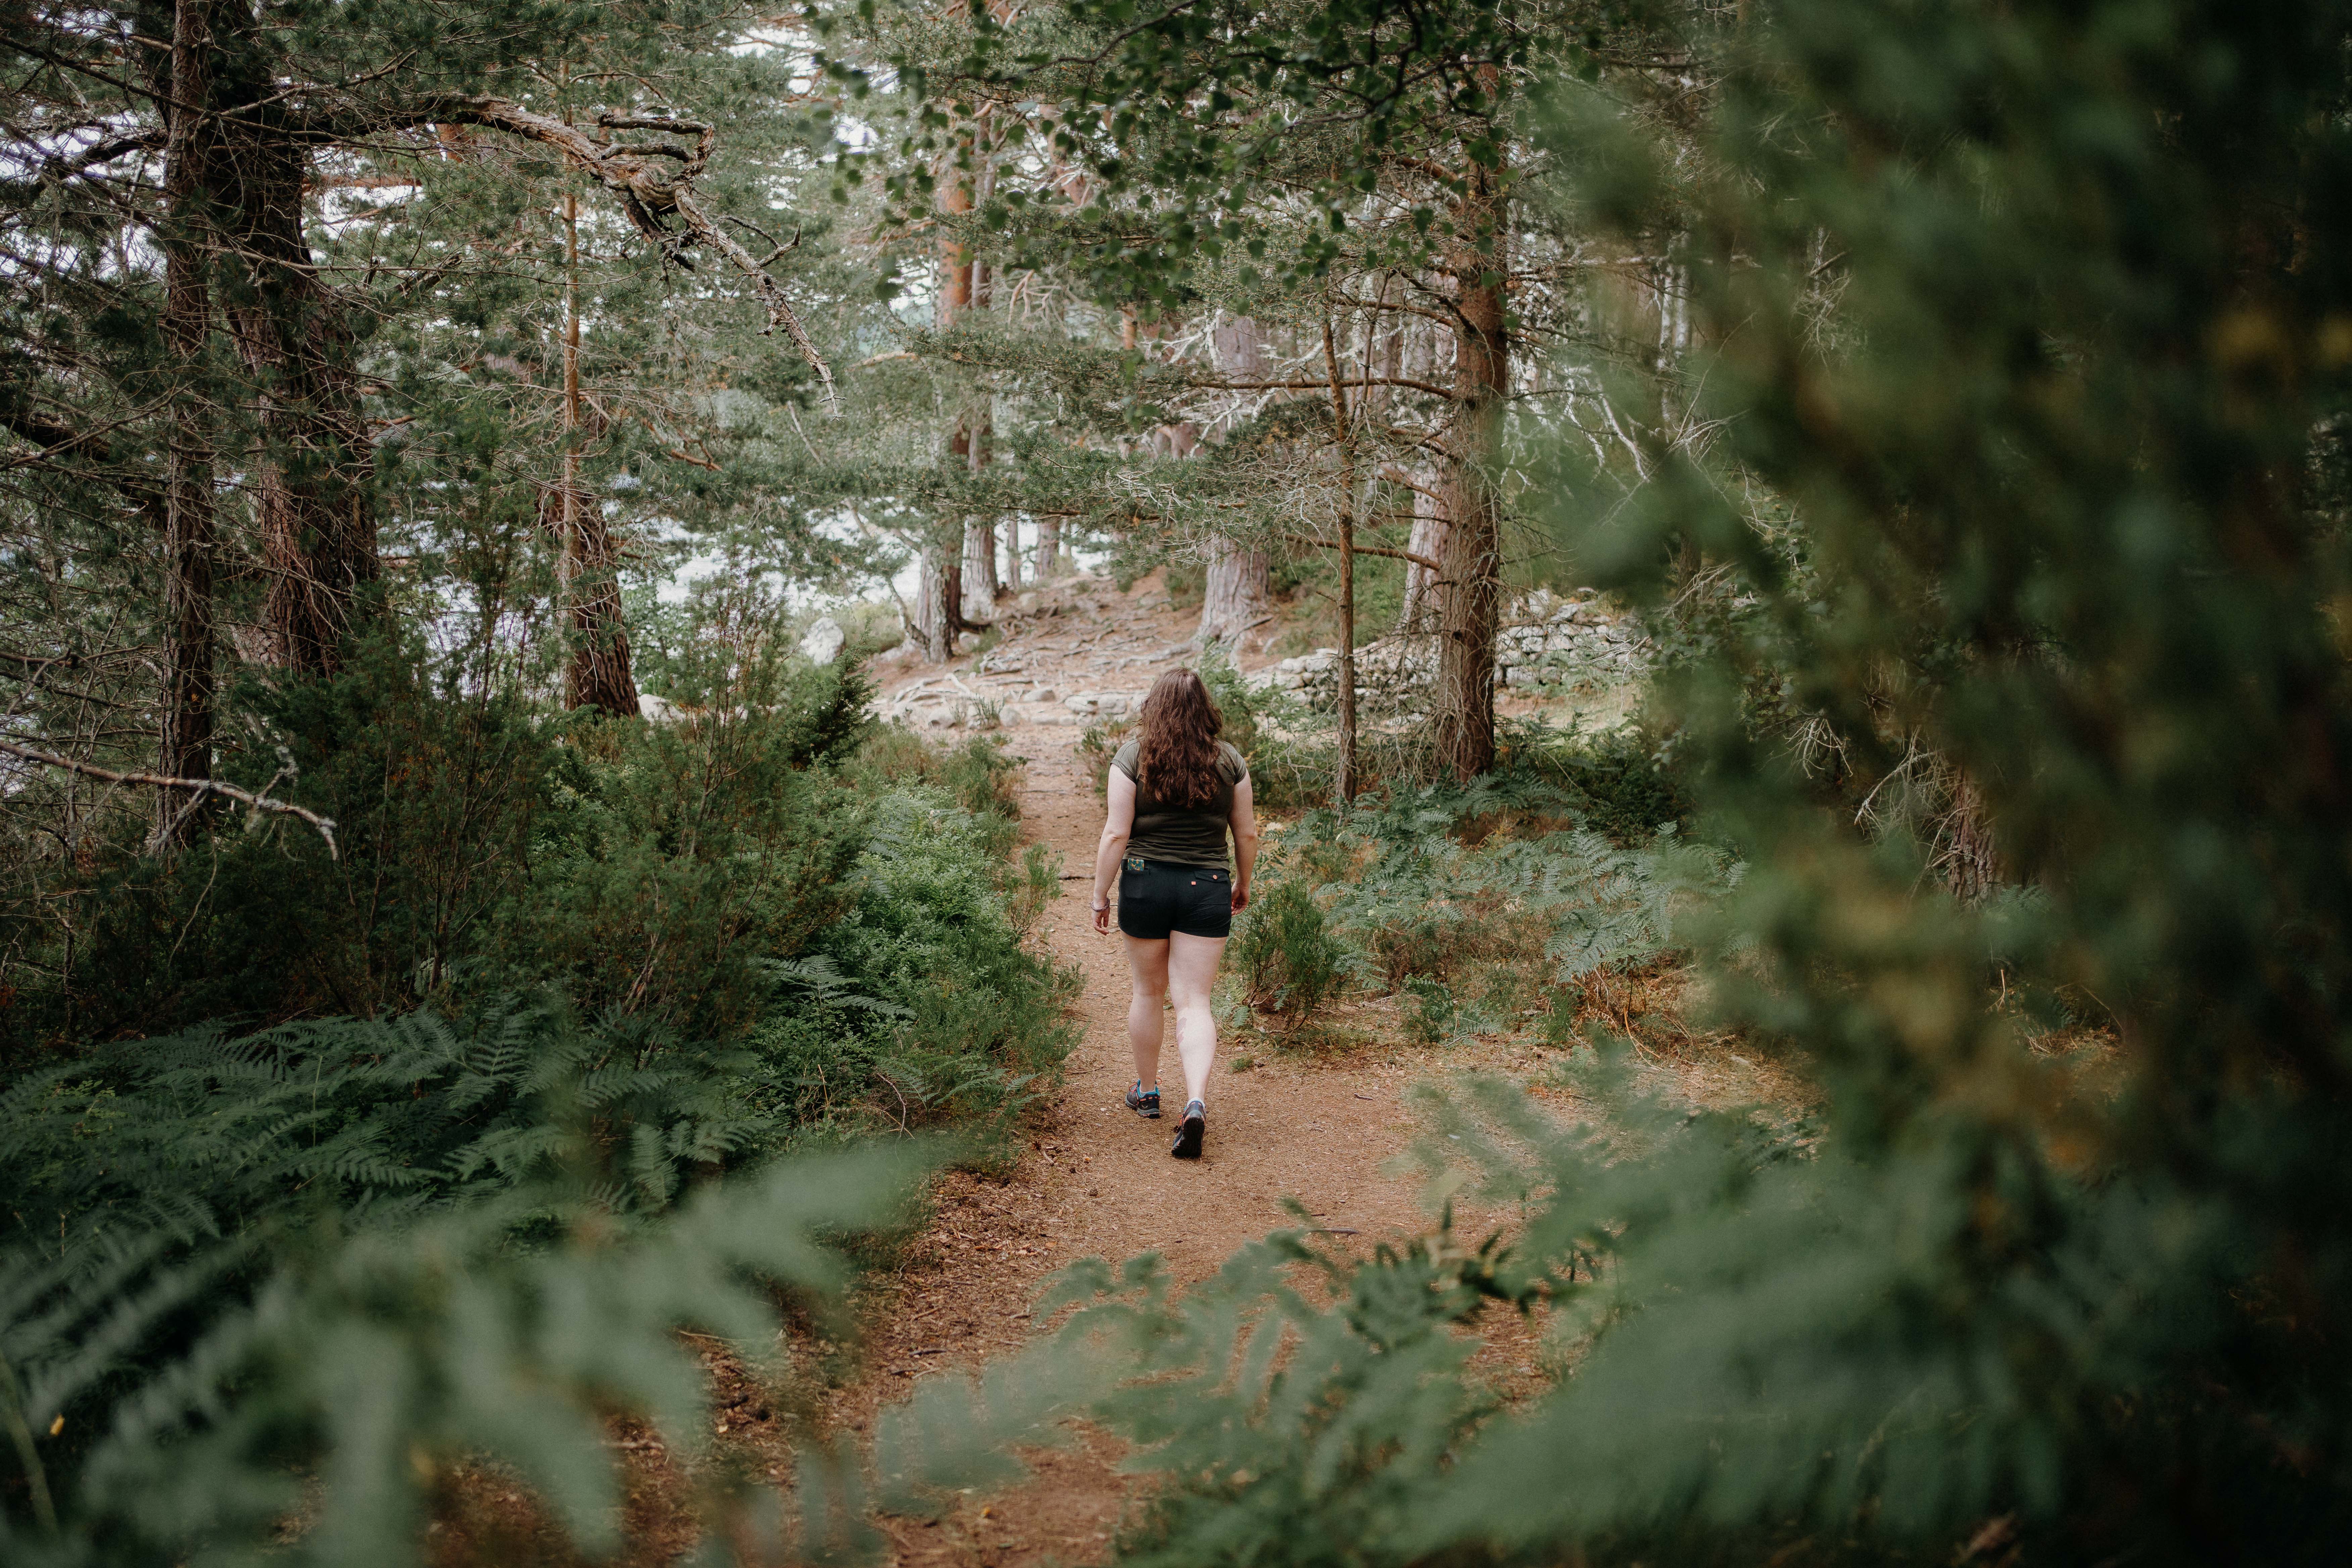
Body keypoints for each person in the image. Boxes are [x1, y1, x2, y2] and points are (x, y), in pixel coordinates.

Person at [1090, 669, 1259, 1159]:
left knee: (1148, 991)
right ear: (1205, 707)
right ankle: (1196, 1103)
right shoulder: (1230, 761)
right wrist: (1243, 881)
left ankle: (1147, 1093)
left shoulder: (1132, 757)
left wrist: (1100, 894)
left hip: (1145, 883)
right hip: (1206, 886)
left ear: (1154, 707)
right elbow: (1245, 834)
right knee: (1195, 1002)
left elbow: (1115, 834)